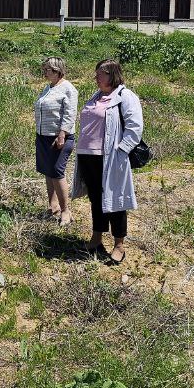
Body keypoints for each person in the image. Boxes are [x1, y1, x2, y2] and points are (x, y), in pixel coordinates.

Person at [71, 59, 144, 265]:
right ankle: (97, 238)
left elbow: (134, 127)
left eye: (100, 73)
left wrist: (121, 151)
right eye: (96, 73)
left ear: (112, 74)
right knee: (96, 198)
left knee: (115, 199)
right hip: (88, 155)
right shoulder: (97, 96)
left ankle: (119, 244)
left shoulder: (125, 96)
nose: (96, 77)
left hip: (110, 157)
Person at [33, 56, 78, 225]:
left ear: (58, 71)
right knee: (48, 171)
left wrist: (62, 134)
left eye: (48, 70)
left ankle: (66, 210)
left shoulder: (68, 89)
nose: (44, 72)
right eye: (44, 69)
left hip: (59, 137)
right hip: (43, 136)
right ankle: (53, 206)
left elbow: (70, 113)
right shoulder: (48, 88)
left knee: (57, 172)